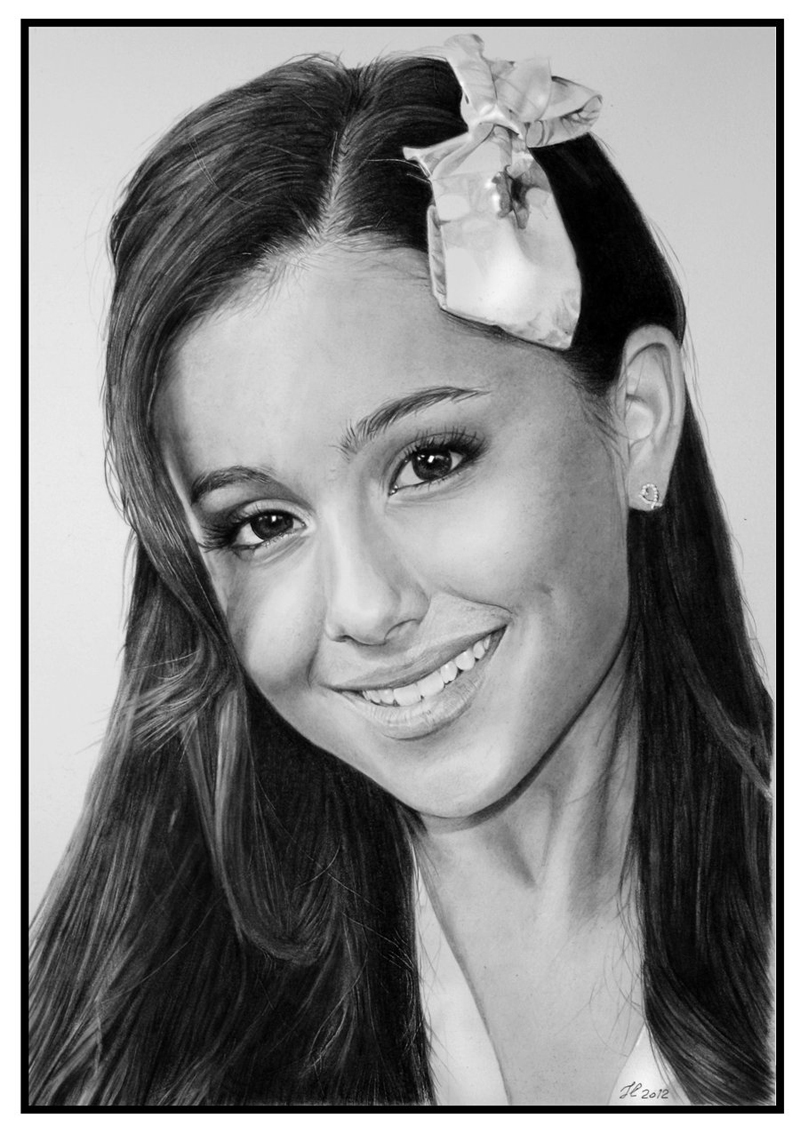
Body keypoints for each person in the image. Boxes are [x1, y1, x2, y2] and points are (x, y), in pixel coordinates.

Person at [28, 35, 773, 1107]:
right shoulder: (132, 1041)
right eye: (263, 523)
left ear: (637, 419)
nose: (365, 608)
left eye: (428, 463)